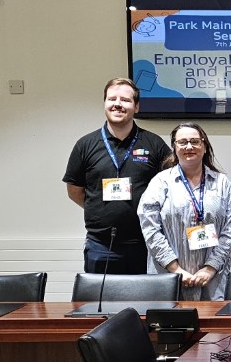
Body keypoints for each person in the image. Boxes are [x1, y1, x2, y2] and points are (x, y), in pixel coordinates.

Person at [63, 77, 172, 274]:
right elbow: (74, 190)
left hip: (146, 242)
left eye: (125, 100)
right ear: (105, 103)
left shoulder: (154, 144)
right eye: (112, 99)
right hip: (100, 245)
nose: (118, 104)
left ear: (136, 107)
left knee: (145, 295)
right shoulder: (85, 145)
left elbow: (172, 188)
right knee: (99, 295)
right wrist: (101, 209)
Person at [138, 123, 231, 300]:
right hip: (167, 278)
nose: (189, 146)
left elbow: (230, 230)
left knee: (212, 319)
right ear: (174, 147)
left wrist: (210, 268)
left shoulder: (222, 184)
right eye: (182, 142)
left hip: (212, 281)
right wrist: (175, 269)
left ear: (204, 146)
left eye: (195, 141)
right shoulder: (160, 182)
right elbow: (150, 228)